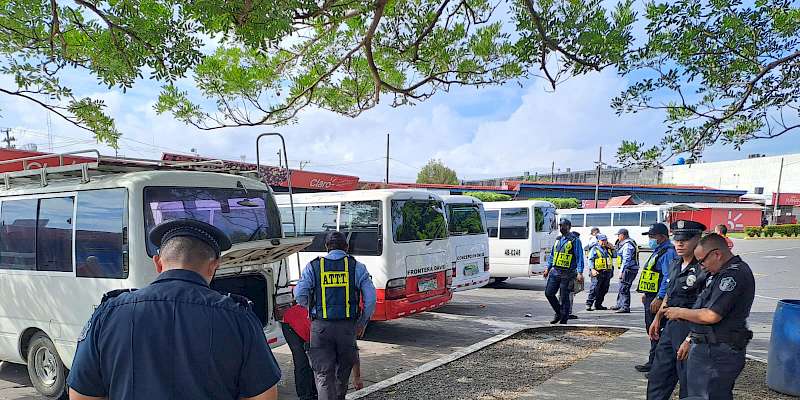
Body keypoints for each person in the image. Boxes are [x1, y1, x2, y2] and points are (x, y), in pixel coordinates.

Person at [68, 219, 281, 400]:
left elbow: (81, 394)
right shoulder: (238, 318)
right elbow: (263, 395)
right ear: (213, 266)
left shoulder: (109, 313)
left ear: (158, 263)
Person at [664, 234, 755, 400]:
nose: (702, 266)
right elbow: (703, 308)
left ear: (717, 254)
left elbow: (711, 315)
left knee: (708, 395)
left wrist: (679, 312)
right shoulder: (719, 273)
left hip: (718, 350)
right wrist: (689, 339)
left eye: (702, 260)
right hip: (707, 346)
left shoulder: (732, 276)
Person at [295, 231, 377, 400]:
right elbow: (371, 300)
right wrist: (361, 323)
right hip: (347, 329)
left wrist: (311, 309)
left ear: (326, 247)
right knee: (342, 374)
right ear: (346, 247)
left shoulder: (314, 266)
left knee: (324, 376)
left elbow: (299, 294)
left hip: (321, 328)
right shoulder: (357, 267)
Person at [646, 220, 707, 400]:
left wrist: (690, 339)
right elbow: (670, 294)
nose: (680, 243)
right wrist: (658, 317)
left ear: (698, 239)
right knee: (658, 377)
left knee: (689, 383)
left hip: (692, 329)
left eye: (685, 239)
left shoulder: (703, 269)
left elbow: (705, 306)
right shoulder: (675, 263)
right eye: (677, 239)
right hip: (671, 327)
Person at [281, 304, 364, 400]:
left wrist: (357, 378)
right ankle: (305, 396)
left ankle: (315, 393)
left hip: (313, 326)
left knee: (322, 368)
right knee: (302, 363)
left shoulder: (346, 328)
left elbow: (353, 353)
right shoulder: (332, 332)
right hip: (292, 323)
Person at [635, 222, 678, 373]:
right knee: (652, 331)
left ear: (662, 237)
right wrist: (645, 293)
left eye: (653, 236)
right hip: (650, 296)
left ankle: (658, 367)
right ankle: (653, 363)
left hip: (657, 299)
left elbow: (668, 277)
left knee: (657, 331)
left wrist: (659, 297)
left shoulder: (668, 252)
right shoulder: (659, 250)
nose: (650, 239)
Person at [544, 218, 584, 324]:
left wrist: (580, 273)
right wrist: (547, 268)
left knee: (564, 297)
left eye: (564, 226)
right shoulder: (558, 239)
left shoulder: (575, 240)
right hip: (555, 271)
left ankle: (564, 319)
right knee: (549, 293)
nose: (562, 227)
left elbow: (579, 257)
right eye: (560, 225)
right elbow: (553, 255)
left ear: (569, 227)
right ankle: (559, 312)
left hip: (568, 273)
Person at [611, 228, 639, 313]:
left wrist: (622, 271)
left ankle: (625, 306)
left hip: (629, 269)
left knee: (624, 288)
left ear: (623, 235)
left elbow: (626, 259)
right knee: (621, 287)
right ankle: (620, 304)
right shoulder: (627, 243)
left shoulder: (627, 245)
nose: (618, 237)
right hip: (628, 268)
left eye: (619, 235)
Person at [586, 234, 614, 311]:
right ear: (598, 241)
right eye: (602, 240)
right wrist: (592, 269)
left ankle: (598, 304)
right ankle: (589, 304)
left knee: (604, 289)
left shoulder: (608, 249)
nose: (604, 242)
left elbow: (615, 255)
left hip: (607, 272)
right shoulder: (594, 249)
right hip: (597, 272)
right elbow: (590, 260)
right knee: (594, 288)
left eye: (605, 240)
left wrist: (613, 248)